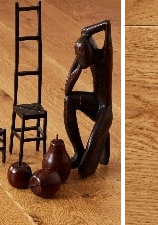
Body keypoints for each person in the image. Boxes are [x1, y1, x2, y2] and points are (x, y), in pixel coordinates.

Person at [64, 20, 113, 179]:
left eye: (84, 55)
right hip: (94, 102)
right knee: (69, 100)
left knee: (85, 170)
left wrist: (86, 34)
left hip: (105, 109)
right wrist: (79, 65)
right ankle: (79, 151)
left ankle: (102, 133)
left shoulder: (104, 56)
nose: (82, 59)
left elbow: (106, 25)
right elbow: (67, 90)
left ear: (90, 51)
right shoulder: (85, 58)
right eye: (79, 56)